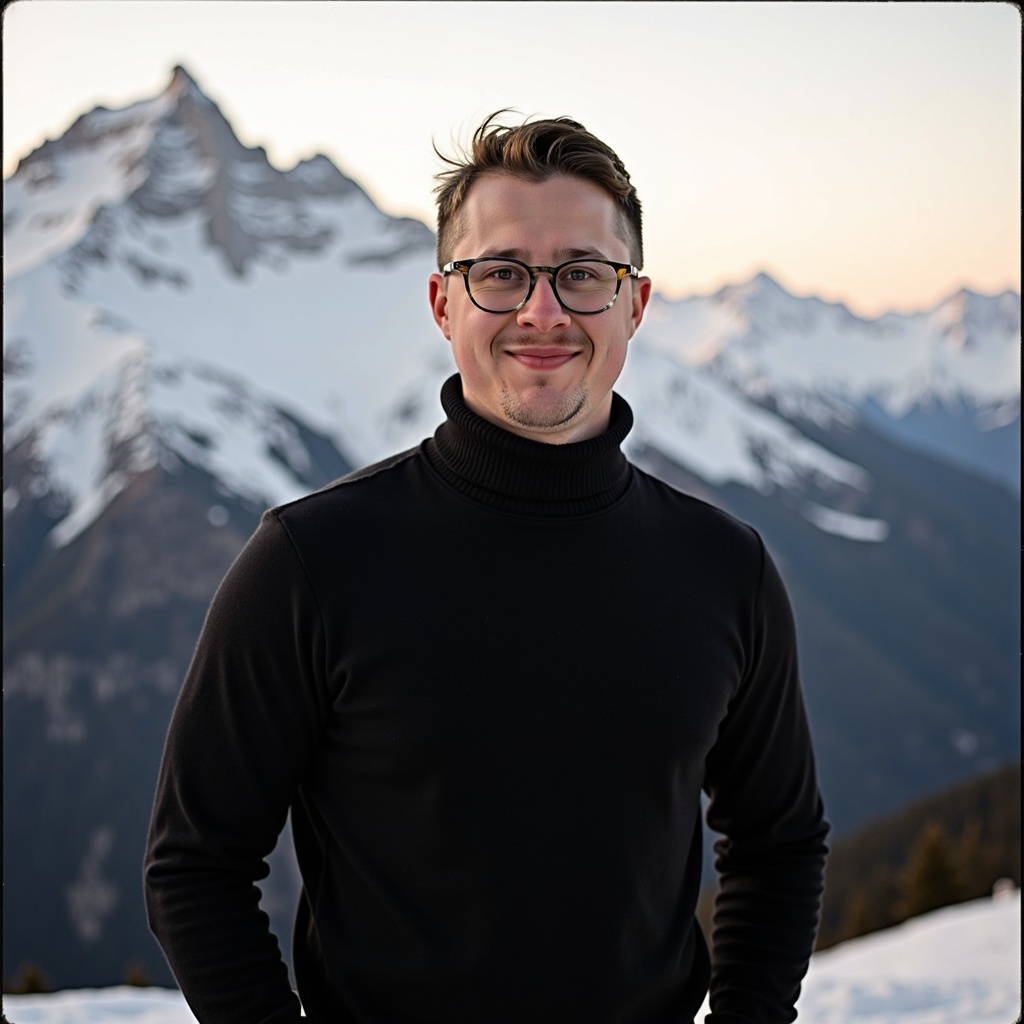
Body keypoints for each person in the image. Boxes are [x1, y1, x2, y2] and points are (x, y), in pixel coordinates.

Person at [145, 111, 829, 1024]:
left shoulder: (723, 567)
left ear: (635, 303)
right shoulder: (313, 560)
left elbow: (779, 840)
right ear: (444, 303)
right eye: (501, 273)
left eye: (583, 274)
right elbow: (196, 863)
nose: (541, 312)